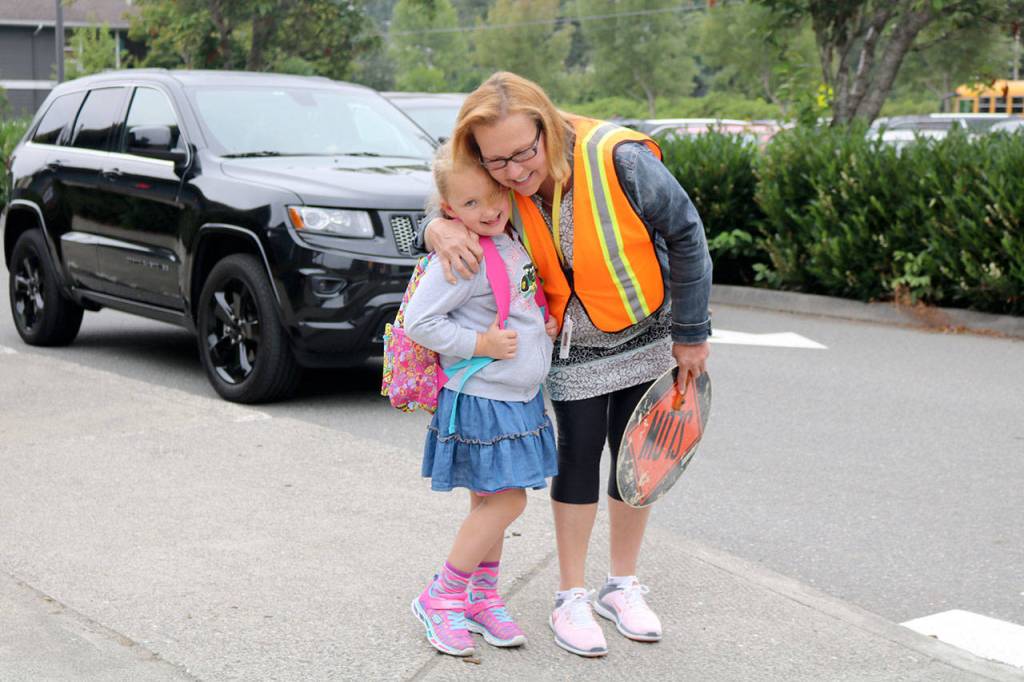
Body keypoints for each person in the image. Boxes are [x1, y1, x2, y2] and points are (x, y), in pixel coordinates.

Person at [420, 72, 712, 658]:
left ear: (546, 125)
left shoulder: (620, 158)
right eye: (497, 161)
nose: (515, 171)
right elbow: (434, 211)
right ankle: (570, 594)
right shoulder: (492, 183)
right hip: (572, 346)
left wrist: (692, 335)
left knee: (639, 461)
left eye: (525, 152)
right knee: (576, 460)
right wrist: (436, 226)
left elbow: (686, 233)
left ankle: (622, 585)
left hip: (649, 332)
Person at [404, 142, 560, 657]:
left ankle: (481, 595)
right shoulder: (463, 255)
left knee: (488, 501)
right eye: (471, 204)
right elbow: (421, 322)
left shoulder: (510, 241)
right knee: (509, 499)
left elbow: (512, 304)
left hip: (515, 396)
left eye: (494, 196)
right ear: (450, 211)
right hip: (484, 397)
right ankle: (443, 597)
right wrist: (481, 345)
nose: (488, 209)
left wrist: (542, 329)